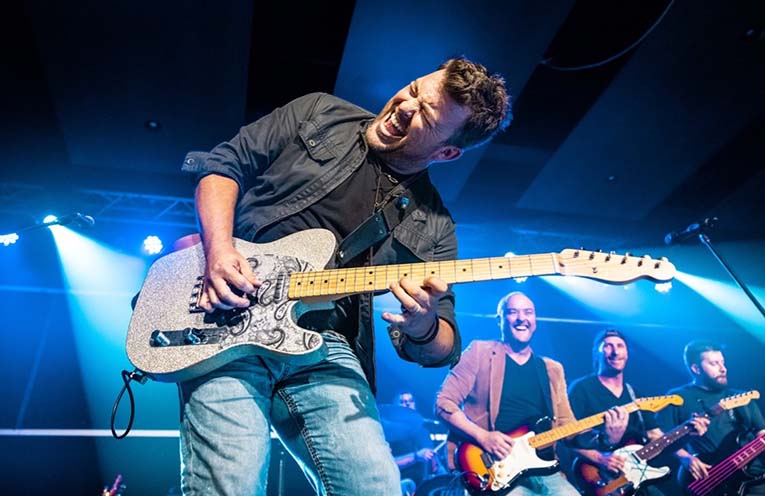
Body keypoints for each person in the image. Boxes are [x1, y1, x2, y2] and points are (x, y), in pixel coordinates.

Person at [177, 56, 512, 495]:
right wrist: (219, 250)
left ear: (447, 152)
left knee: (376, 487)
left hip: (327, 347)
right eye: (413, 89)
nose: (405, 106)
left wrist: (424, 324)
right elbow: (223, 165)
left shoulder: (435, 225)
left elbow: (443, 347)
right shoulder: (320, 112)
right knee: (230, 484)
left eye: (426, 116)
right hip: (230, 315)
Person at [435, 291, 581, 495]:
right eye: (513, 312)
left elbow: (568, 428)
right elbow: (443, 403)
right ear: (500, 320)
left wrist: (605, 438)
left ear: (535, 320)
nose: (522, 318)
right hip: (494, 467)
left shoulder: (552, 369)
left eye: (528, 312)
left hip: (544, 467)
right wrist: (483, 437)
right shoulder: (479, 352)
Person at [566, 329, 708, 496]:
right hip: (601, 476)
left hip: (636, 474)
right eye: (608, 346)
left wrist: (687, 433)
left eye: (620, 346)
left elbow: (655, 436)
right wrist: (602, 460)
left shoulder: (636, 394)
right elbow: (567, 437)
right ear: (597, 353)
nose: (615, 351)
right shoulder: (581, 389)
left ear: (627, 354)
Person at [655, 340, 765, 495]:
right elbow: (657, 437)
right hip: (706, 480)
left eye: (722, 362)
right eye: (714, 363)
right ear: (696, 369)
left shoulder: (742, 397)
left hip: (753, 479)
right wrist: (685, 458)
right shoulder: (678, 397)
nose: (723, 369)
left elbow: (761, 433)